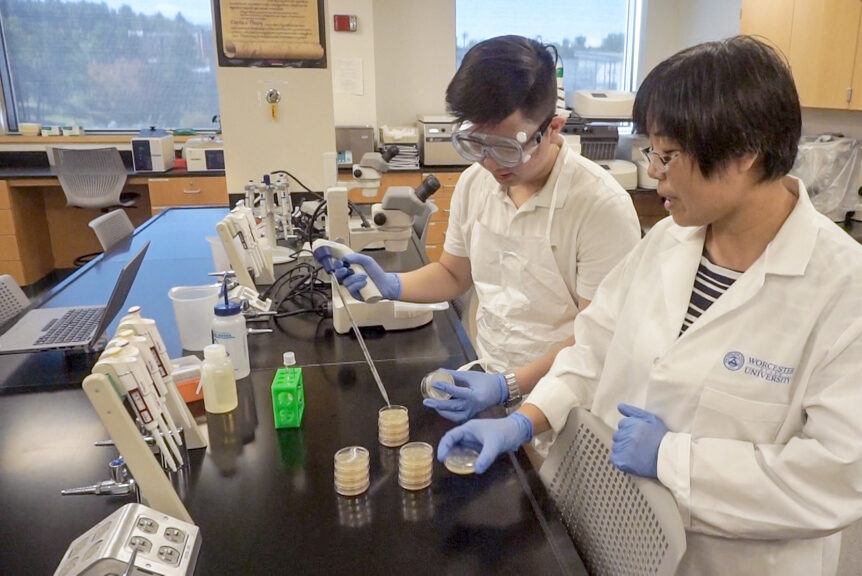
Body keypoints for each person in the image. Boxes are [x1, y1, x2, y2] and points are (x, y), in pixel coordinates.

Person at [436, 35, 862, 575]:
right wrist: (523, 420)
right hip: (613, 534)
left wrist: (673, 460)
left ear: (744, 153)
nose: (653, 171)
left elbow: (838, 476)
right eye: (650, 151)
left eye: (667, 154)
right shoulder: (667, 242)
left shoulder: (845, 289)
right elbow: (591, 351)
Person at [321, 35, 640, 422]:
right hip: (488, 380)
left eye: (507, 148)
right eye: (476, 143)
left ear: (553, 127)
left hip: (567, 407)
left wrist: (512, 385)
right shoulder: (475, 184)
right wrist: (393, 285)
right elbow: (454, 273)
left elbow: (597, 342)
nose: (490, 162)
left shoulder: (600, 207)